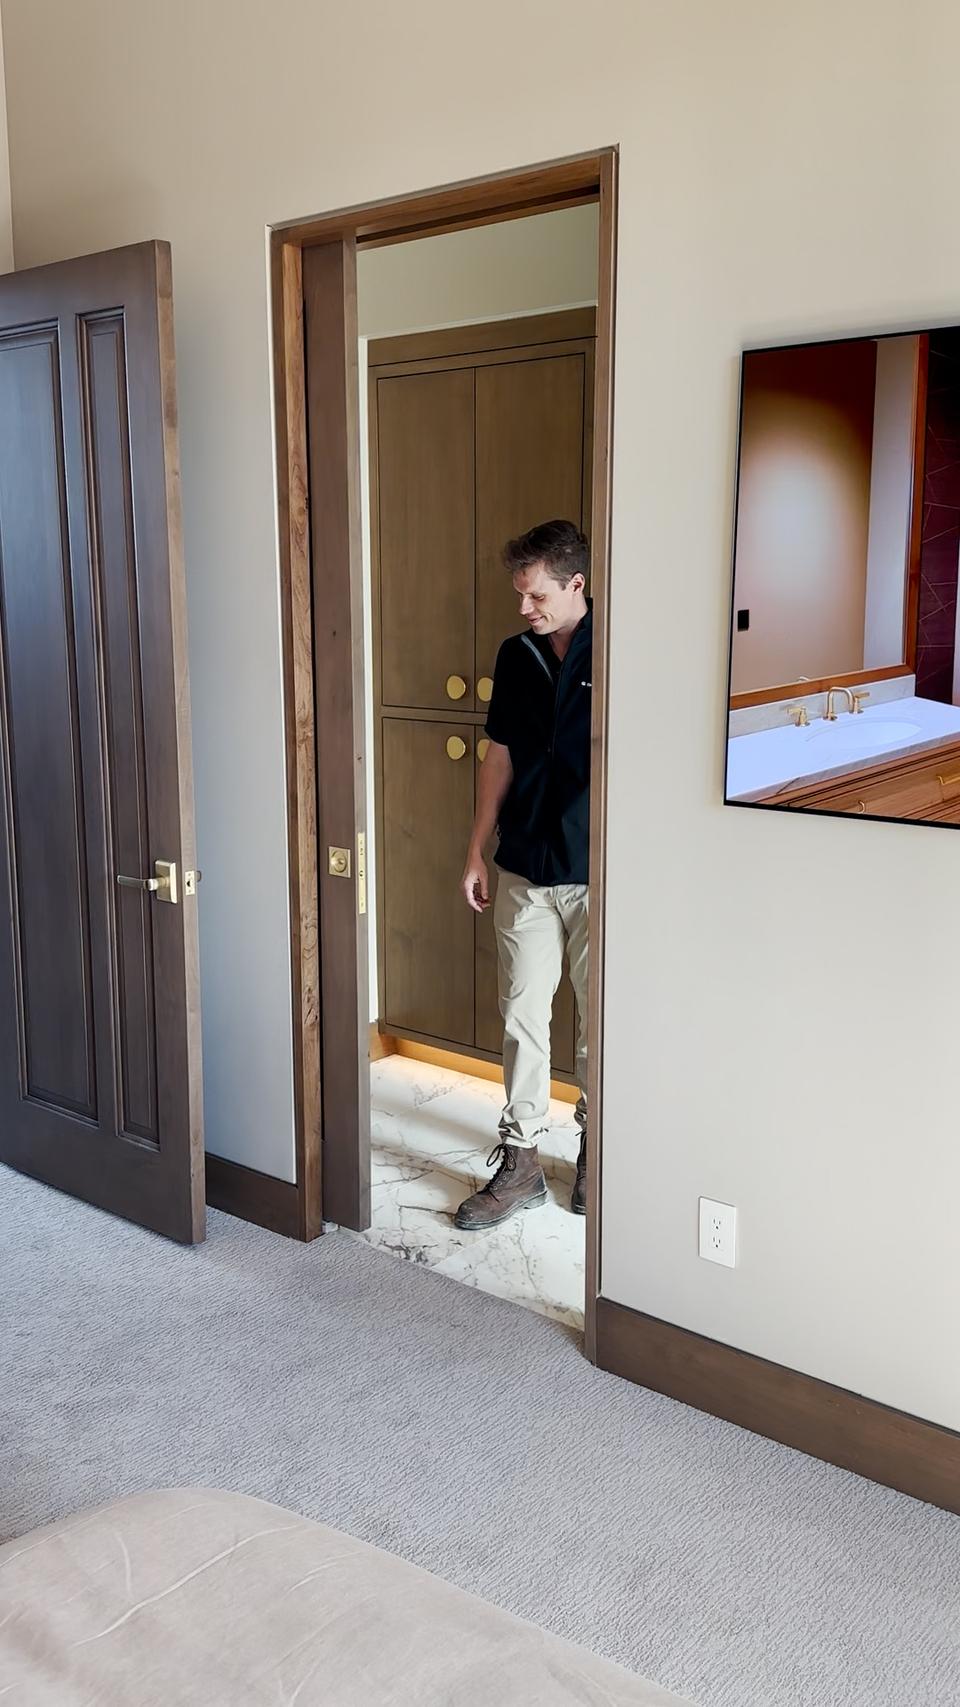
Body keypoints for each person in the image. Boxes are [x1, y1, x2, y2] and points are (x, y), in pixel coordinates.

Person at [455, 519, 591, 1231]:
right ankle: (523, 1160)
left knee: (601, 1021)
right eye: (520, 594)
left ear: (576, 584)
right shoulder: (516, 655)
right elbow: (500, 754)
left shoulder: (620, 647)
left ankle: (599, 1146)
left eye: (536, 594)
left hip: (601, 872)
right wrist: (476, 848)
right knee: (521, 1015)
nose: (524, 607)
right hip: (525, 865)